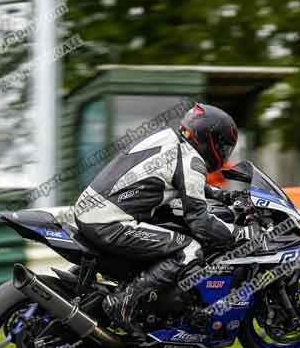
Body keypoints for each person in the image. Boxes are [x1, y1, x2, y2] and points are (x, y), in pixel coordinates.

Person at [73, 103, 258, 333]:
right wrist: (241, 234)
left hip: (93, 210)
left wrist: (226, 195)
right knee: (189, 249)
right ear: (210, 139)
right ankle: (123, 303)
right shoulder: (191, 160)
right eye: (223, 146)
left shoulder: (168, 138)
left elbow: (182, 183)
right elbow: (199, 220)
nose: (223, 153)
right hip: (108, 221)